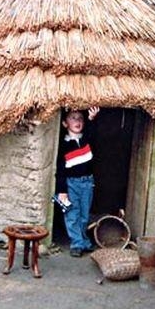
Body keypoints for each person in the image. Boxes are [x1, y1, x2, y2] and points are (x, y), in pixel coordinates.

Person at [55, 106, 100, 257]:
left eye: (80, 118)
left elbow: (92, 133)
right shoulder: (63, 145)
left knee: (84, 215)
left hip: (87, 182)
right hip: (71, 183)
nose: (77, 121)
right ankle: (76, 243)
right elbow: (60, 170)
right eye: (73, 118)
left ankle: (84, 242)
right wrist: (62, 191)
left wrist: (91, 119)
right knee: (72, 214)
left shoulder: (86, 139)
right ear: (64, 123)